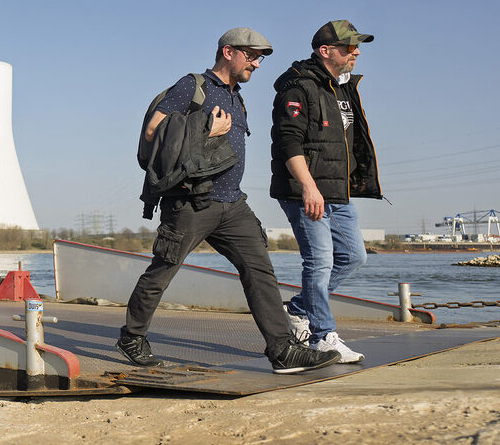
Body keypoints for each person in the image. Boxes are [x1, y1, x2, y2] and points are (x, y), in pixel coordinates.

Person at [119, 28, 341, 375]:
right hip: (192, 202)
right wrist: (204, 129)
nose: (256, 63)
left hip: (233, 205)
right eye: (250, 55)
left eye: (259, 58)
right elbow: (153, 131)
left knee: (260, 270)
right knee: (163, 269)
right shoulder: (193, 87)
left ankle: (282, 350)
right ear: (228, 52)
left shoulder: (237, 97)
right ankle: (132, 337)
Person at [271, 20, 380, 364]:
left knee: (353, 256)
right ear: (326, 51)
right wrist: (308, 187)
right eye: (349, 47)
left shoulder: (344, 88)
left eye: (357, 47)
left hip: (337, 191)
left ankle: (300, 308)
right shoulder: (298, 88)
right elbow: (289, 142)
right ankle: (323, 337)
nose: (356, 52)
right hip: (306, 191)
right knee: (319, 262)